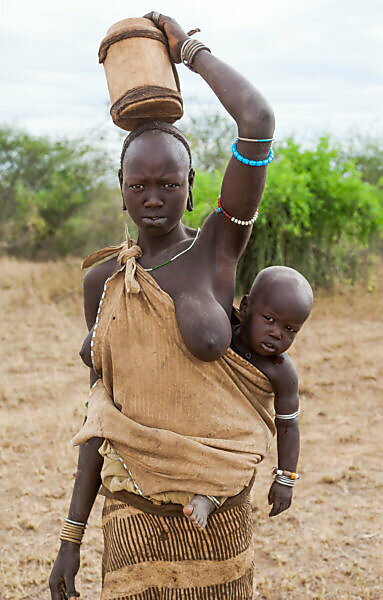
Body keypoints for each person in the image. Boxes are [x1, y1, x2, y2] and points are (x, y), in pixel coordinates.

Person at [49, 11, 276, 600]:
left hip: (217, 517)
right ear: (121, 189)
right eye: (139, 185)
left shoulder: (216, 252)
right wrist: (71, 537)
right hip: (133, 519)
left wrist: (188, 49)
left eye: (169, 185)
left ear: (192, 187)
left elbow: (257, 121)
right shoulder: (103, 281)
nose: (153, 197)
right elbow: (102, 412)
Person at [183, 265, 313, 529]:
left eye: (290, 329)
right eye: (269, 319)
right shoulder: (219, 335)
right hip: (197, 421)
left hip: (237, 439)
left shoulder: (282, 371)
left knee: (247, 453)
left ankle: (211, 497)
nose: (278, 333)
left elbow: (288, 425)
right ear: (245, 308)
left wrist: (285, 479)